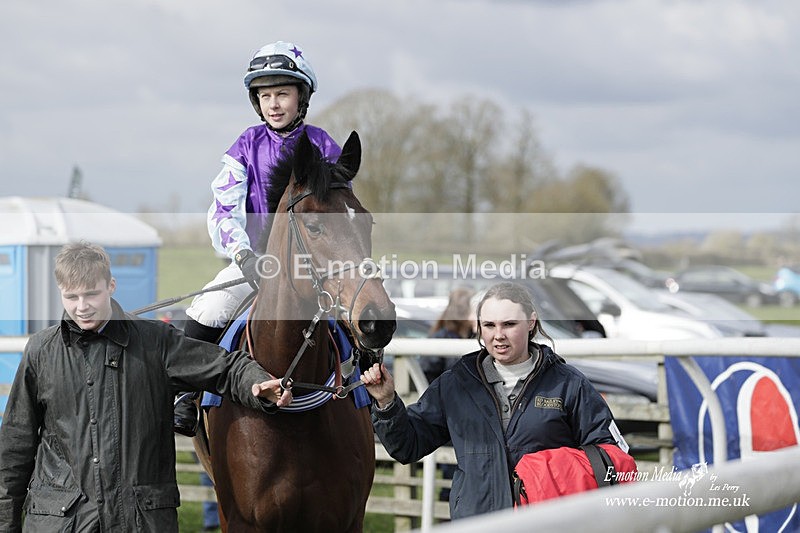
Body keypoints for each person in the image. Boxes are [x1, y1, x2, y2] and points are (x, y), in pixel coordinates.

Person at [0, 242, 292, 532]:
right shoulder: (41, 352)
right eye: (71, 296)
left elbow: (224, 367)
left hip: (141, 523)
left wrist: (256, 382)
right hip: (61, 523)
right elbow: (15, 446)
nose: (82, 306)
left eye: (91, 294)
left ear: (111, 285)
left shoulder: (157, 342)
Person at [174, 40, 342, 436]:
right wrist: (244, 255)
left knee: (359, 316)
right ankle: (183, 395)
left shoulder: (324, 146)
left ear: (302, 96)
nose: (274, 103)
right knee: (206, 312)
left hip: (314, 266)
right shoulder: (245, 146)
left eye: (282, 93)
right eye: (265, 96)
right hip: (252, 262)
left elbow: (340, 212)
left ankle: (369, 392)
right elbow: (222, 211)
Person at [360, 281, 628, 520]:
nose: (498, 334)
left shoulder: (568, 384)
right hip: (477, 523)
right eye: (489, 325)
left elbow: (611, 456)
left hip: (548, 523)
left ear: (531, 322)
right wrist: (387, 403)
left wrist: (551, 476)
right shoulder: (456, 385)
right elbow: (408, 446)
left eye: (509, 324)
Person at [419, 286, 475, 385]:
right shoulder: (439, 339)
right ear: (464, 312)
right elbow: (427, 374)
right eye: (474, 308)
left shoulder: (476, 336)